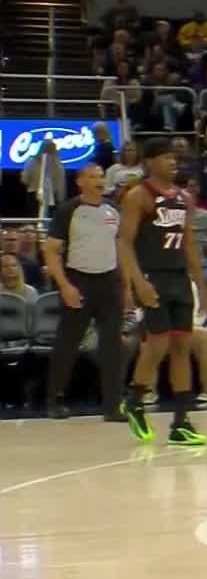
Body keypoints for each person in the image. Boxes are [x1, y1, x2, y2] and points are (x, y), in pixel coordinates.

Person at [117, 138, 207, 446]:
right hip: (152, 275)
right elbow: (124, 243)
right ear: (150, 162)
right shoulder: (138, 196)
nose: (173, 162)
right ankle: (135, 399)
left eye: (174, 157)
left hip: (179, 278)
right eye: (166, 157)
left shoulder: (184, 198)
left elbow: (189, 244)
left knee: (182, 345)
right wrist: (137, 283)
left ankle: (181, 423)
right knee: (157, 345)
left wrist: (201, 284)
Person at [41, 164, 128, 421]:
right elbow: (51, 251)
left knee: (113, 345)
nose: (99, 180)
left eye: (101, 176)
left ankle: (113, 405)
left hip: (109, 282)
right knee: (67, 343)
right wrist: (65, 286)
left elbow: (121, 250)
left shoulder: (114, 210)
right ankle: (55, 400)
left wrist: (127, 287)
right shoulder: (68, 210)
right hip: (78, 280)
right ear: (80, 182)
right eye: (92, 176)